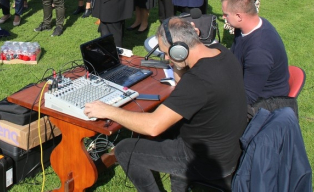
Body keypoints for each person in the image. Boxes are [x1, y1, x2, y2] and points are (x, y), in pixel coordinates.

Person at [84, 18, 247, 191]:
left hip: (205, 161)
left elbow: (153, 126)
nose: (167, 58)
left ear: (179, 50)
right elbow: (183, 85)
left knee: (124, 149)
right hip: (226, 148)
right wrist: (177, 65)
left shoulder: (199, 81)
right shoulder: (221, 52)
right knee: (160, 129)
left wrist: (108, 110)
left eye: (167, 53)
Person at [221, 0, 290, 108]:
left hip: (265, 104)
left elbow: (248, 98)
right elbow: (232, 56)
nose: (223, 17)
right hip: (245, 86)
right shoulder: (246, 26)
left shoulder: (259, 51)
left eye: (226, 14)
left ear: (239, 16)